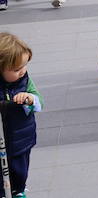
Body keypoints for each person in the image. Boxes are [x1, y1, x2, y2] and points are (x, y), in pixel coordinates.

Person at [0, 33, 43, 198]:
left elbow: (39, 102)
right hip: (3, 139)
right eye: (16, 69)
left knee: (19, 171)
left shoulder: (24, 81)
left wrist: (30, 99)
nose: (22, 71)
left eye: (24, 66)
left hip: (20, 139)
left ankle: (18, 190)